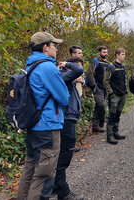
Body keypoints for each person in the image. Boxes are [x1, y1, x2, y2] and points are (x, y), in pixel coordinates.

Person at [17, 32, 70, 200]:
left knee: (30, 170)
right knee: (44, 175)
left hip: (33, 125)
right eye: (54, 45)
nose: (56, 48)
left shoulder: (30, 65)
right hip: (47, 127)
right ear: (45, 47)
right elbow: (64, 98)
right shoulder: (47, 67)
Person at [53, 57, 84, 199]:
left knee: (61, 155)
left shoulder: (67, 78)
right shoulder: (62, 75)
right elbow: (78, 69)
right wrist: (66, 64)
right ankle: (63, 192)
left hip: (69, 118)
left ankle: (55, 186)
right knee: (64, 157)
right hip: (66, 119)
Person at [103, 48, 127, 144]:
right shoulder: (111, 66)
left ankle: (116, 133)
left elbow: (125, 79)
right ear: (117, 55)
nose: (124, 56)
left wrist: (126, 91)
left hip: (123, 94)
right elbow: (105, 81)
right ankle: (109, 136)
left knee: (118, 114)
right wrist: (111, 93)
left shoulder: (123, 67)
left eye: (124, 54)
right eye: (122, 54)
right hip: (115, 95)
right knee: (112, 115)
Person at [86, 46, 110, 132]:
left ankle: (95, 126)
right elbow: (89, 73)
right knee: (101, 105)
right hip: (97, 87)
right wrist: (93, 85)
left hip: (105, 88)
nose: (105, 54)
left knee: (98, 106)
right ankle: (101, 124)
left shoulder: (107, 63)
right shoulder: (95, 61)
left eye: (106, 52)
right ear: (99, 52)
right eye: (104, 52)